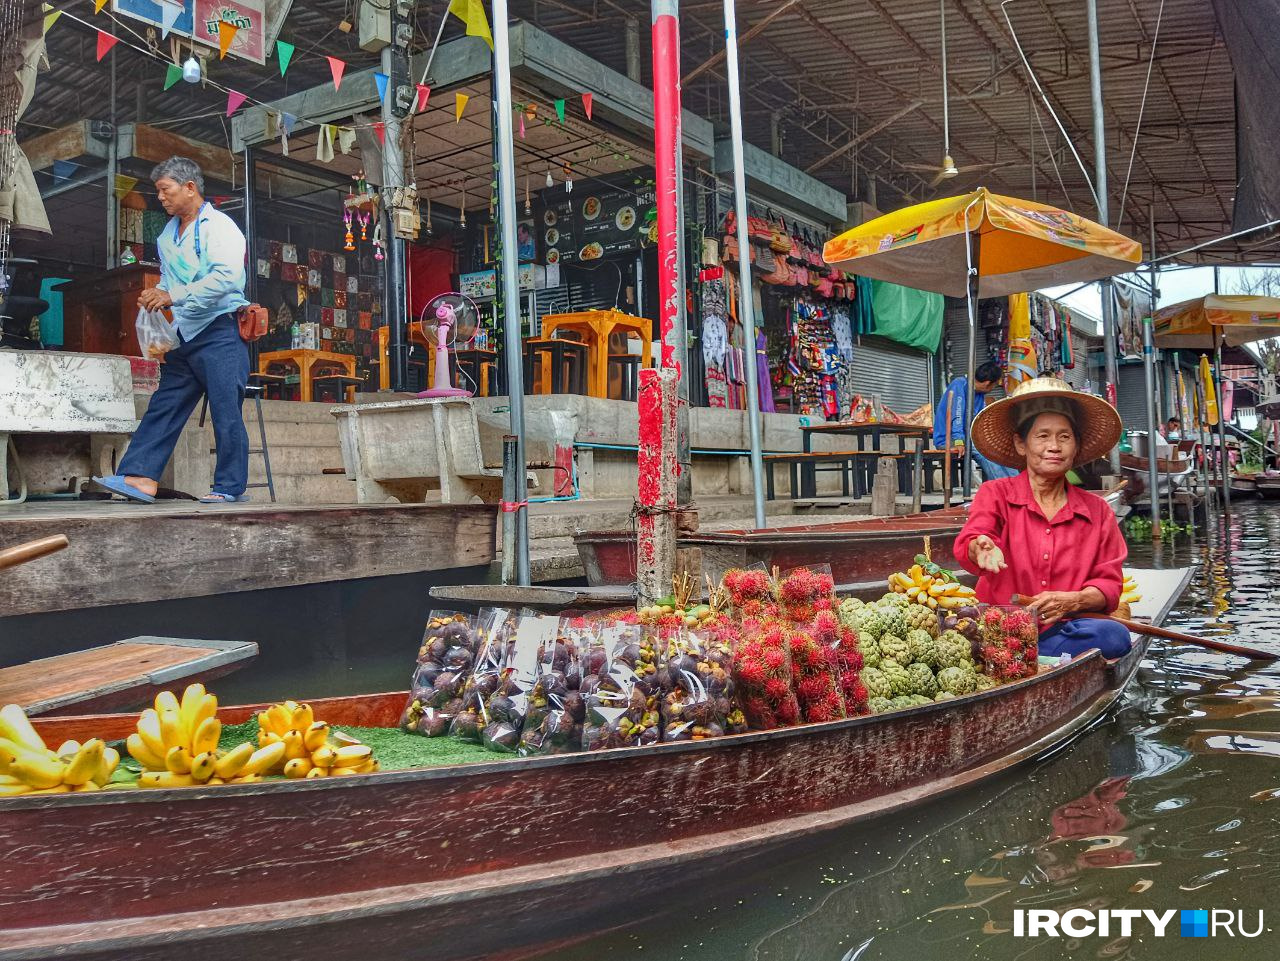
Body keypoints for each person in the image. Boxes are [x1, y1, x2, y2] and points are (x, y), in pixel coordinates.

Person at [93, 157, 249, 503]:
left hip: (220, 330)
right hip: (185, 334)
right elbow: (170, 280)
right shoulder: (167, 235)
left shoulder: (219, 227)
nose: (160, 197)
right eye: (159, 191)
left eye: (166, 190)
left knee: (226, 411)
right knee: (164, 405)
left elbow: (226, 279)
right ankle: (140, 478)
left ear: (190, 188)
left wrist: (171, 294)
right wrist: (157, 293)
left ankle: (228, 488)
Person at [953, 377, 1131, 659]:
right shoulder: (996, 493)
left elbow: (1109, 586)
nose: (1054, 446)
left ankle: (1025, 654)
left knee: (1113, 636)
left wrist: (1072, 601)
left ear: (1076, 446)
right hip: (1002, 625)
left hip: (1066, 628)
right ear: (1021, 444)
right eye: (1042, 436)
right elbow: (974, 538)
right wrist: (981, 547)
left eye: (1064, 437)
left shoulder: (1097, 511)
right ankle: (1020, 652)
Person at [933, 360, 1018, 481]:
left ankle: (1018, 484)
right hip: (948, 439)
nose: (993, 388)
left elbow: (981, 419)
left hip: (968, 438)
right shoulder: (960, 385)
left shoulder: (979, 394)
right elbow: (956, 417)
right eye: (994, 385)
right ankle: (1004, 486)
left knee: (1000, 448)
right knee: (984, 451)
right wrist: (959, 442)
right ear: (988, 383)